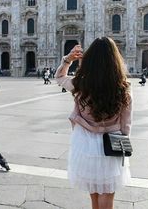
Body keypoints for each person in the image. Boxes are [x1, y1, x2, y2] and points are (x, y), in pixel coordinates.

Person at [55, 37, 132, 209]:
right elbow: (126, 124)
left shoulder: (81, 84)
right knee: (107, 193)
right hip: (111, 144)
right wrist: (124, 141)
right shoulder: (123, 87)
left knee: (95, 192)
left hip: (85, 143)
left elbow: (59, 77)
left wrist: (68, 59)